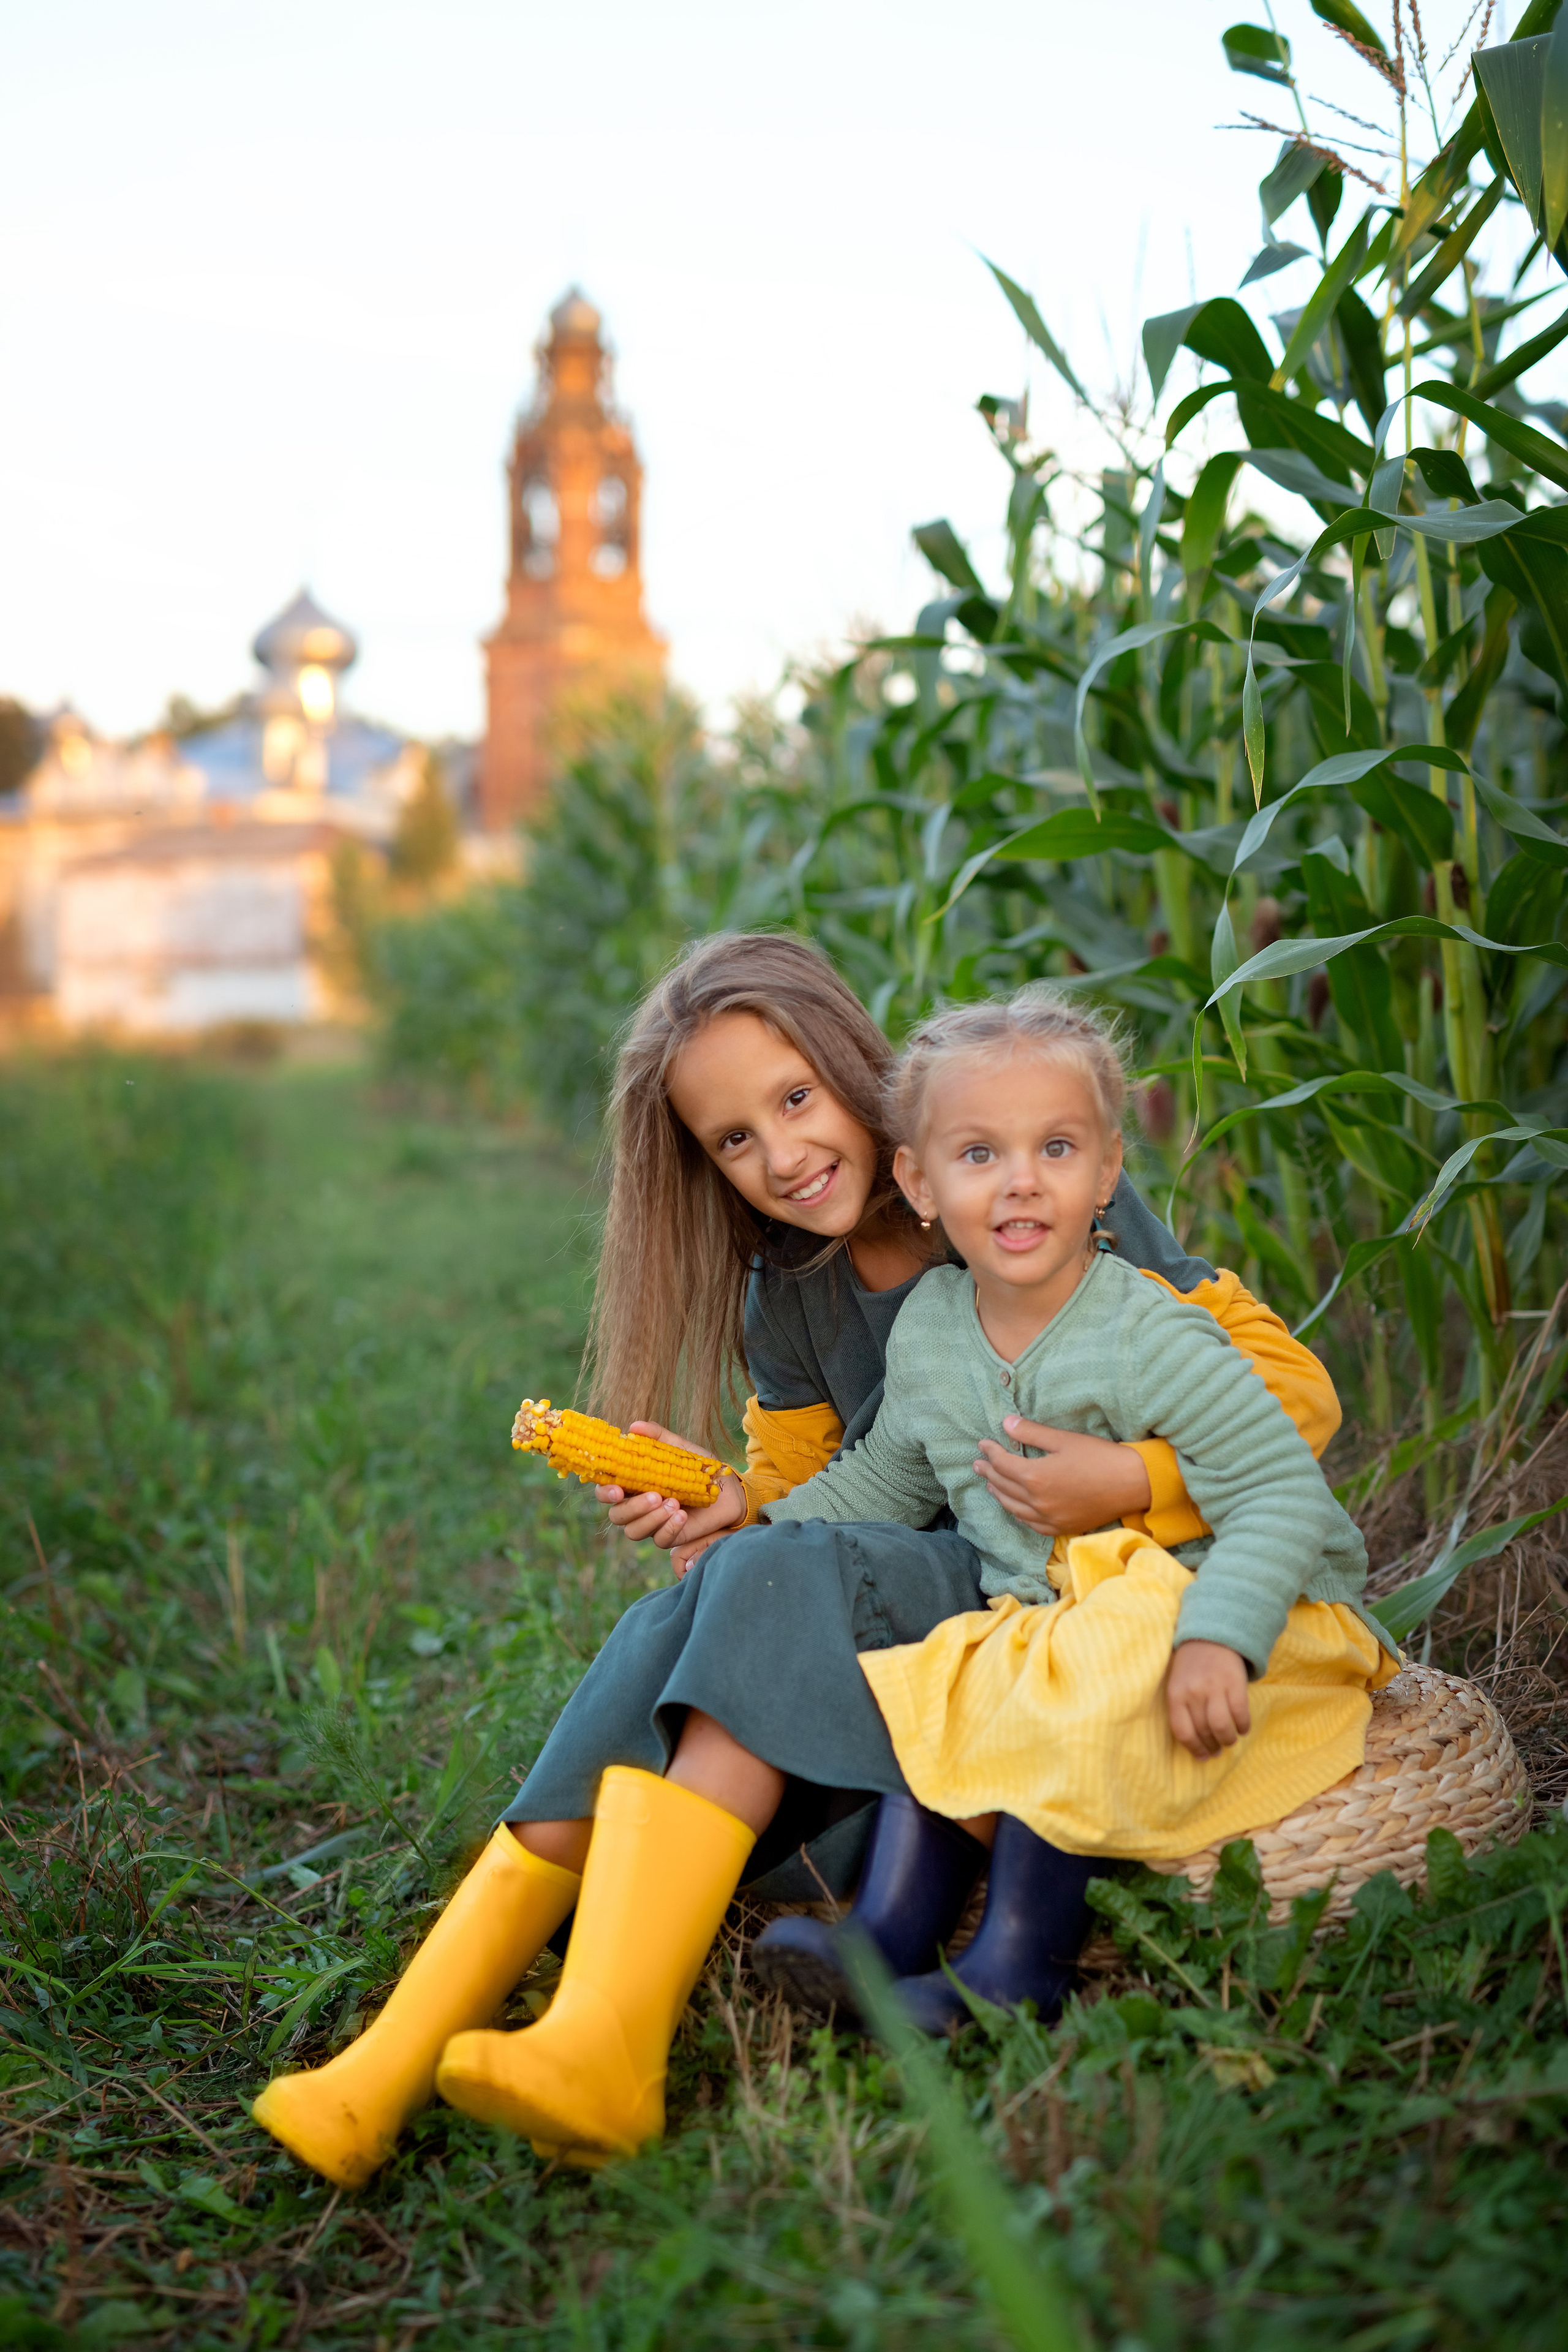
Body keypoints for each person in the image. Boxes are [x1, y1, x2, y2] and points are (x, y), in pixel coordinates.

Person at [251, 935, 1347, 2183]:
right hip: (901, 1653)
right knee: (738, 1581)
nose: (778, 1156)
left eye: (792, 1100)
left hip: (1061, 1606)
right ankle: (421, 2055)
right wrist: (728, 1504)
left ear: (853, 1073)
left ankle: (552, 2042)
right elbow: (823, 1497)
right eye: (731, 1140)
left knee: (765, 1583)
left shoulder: (1015, 1183)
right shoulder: (787, 1299)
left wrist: (1127, 1480)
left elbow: (1290, 1401)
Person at [750, 989, 1400, 2030]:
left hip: (1231, 1604)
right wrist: (757, 1526)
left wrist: (1218, 1642)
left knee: (1076, 1680)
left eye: (1056, 1148)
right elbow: (887, 1479)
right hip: (1061, 1620)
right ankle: (881, 1939)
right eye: (978, 1155)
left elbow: (1278, 1492)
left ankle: (1019, 1967)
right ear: (916, 1182)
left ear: (1106, 1172)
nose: (1020, 1182)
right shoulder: (932, 1329)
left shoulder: (1150, 1332)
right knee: (954, 1681)